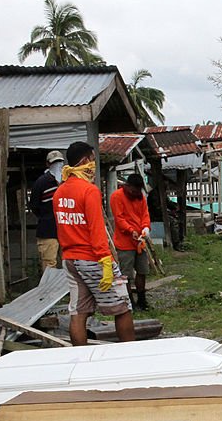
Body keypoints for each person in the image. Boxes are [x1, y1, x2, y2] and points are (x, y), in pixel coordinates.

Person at [53, 141, 134, 346]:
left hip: (70, 259)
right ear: (85, 161)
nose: (94, 165)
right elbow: (97, 230)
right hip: (94, 258)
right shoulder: (89, 191)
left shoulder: (59, 192)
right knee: (123, 307)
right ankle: (132, 355)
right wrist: (106, 261)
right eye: (92, 159)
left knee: (78, 312)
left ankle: (79, 357)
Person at [110, 173, 152, 310]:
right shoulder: (117, 196)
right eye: (134, 190)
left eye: (138, 191)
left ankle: (142, 300)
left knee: (142, 271)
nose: (135, 193)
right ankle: (129, 302)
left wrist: (145, 227)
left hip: (140, 241)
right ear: (127, 186)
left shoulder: (141, 198)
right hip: (124, 242)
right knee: (126, 274)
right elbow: (119, 218)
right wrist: (130, 230)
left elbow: (145, 215)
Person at [29, 150, 64, 270]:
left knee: (70, 264)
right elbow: (34, 206)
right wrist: (46, 217)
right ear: (48, 164)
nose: (57, 165)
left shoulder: (67, 181)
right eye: (54, 162)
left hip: (66, 230)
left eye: (59, 162)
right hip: (48, 230)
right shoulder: (41, 183)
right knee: (49, 264)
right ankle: (48, 288)